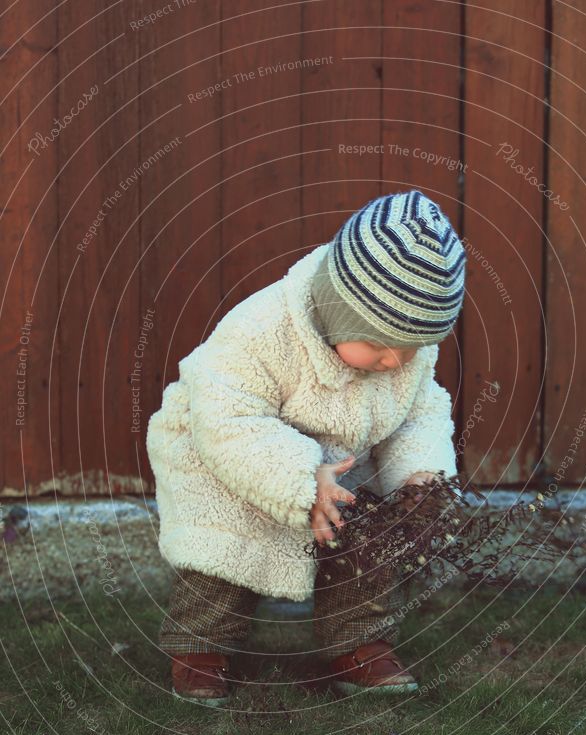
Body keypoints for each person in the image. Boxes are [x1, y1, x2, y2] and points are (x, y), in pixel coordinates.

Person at [146, 189, 466, 705]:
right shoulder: (261, 331)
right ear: (341, 315)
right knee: (224, 545)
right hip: (227, 454)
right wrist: (300, 477)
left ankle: (359, 646)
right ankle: (200, 648)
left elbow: (419, 415)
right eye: (382, 346)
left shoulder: (404, 361)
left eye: (411, 349)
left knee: (369, 543)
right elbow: (229, 417)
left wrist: (420, 479)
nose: (395, 364)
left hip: (336, 465)